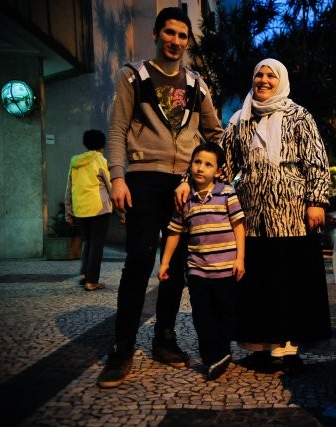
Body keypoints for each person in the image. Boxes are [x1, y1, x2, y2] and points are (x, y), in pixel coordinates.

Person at [98, 7, 223, 388]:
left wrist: (197, 175)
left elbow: (215, 135)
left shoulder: (197, 84)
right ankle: (122, 348)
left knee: (176, 266)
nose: (176, 41)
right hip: (142, 179)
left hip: (183, 184)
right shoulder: (132, 76)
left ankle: (164, 338)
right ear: (156, 34)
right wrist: (118, 178)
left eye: (183, 36)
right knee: (138, 260)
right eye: (169, 33)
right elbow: (117, 130)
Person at [220, 58, 332, 374]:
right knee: (258, 282)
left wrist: (317, 200)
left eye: (271, 75)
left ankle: (289, 349)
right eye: (259, 74)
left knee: (290, 279)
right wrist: (195, 184)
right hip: (252, 214)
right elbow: (224, 164)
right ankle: (259, 347)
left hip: (293, 212)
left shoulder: (299, 116)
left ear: (280, 80)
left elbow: (317, 160)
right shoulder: (238, 120)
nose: (264, 80)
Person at [158, 143, 245, 381]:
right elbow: (174, 232)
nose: (201, 168)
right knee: (202, 316)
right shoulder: (185, 199)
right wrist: (165, 262)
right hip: (197, 271)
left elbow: (239, 226)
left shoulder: (227, 192)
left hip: (226, 269)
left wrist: (240, 259)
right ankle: (213, 357)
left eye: (208, 164)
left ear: (217, 171)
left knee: (226, 314)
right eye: (197, 162)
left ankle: (222, 352)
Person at [64, 129, 121, 292]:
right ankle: (92, 281)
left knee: (87, 242)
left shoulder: (75, 163)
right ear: (102, 145)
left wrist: (69, 211)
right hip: (99, 210)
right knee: (97, 245)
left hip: (80, 210)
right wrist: (121, 212)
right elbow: (111, 188)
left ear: (85, 144)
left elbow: (69, 187)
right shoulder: (101, 161)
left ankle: (85, 275)